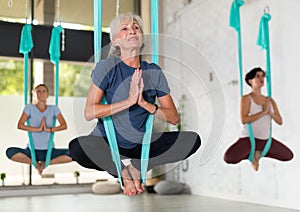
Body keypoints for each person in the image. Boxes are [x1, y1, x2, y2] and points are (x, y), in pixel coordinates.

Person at [68, 12, 201, 196]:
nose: (132, 30)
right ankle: (123, 173)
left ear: (141, 39)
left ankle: (137, 168)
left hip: (140, 144)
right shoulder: (107, 67)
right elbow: (90, 112)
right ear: (115, 41)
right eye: (125, 29)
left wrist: (146, 104)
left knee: (191, 141)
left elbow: (172, 117)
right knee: (77, 148)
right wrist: (129, 101)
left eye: (136, 28)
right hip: (107, 143)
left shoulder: (153, 72)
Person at [224, 67, 293, 171]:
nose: (261, 78)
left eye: (262, 76)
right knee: (229, 158)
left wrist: (270, 113)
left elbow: (280, 121)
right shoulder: (247, 98)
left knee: (288, 156)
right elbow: (244, 120)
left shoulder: (269, 100)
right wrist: (263, 112)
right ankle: (252, 155)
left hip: (265, 140)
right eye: (258, 76)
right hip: (249, 139)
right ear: (250, 81)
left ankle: (258, 153)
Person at [6, 84, 72, 175]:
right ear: (34, 94)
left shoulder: (53, 109)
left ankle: (45, 163)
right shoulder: (29, 108)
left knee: (74, 154)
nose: (41, 93)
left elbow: (64, 125)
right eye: (38, 91)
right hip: (32, 151)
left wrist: (49, 129)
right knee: (10, 152)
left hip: (49, 151)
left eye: (44, 91)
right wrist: (38, 129)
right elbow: (20, 125)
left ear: (48, 95)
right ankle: (36, 164)